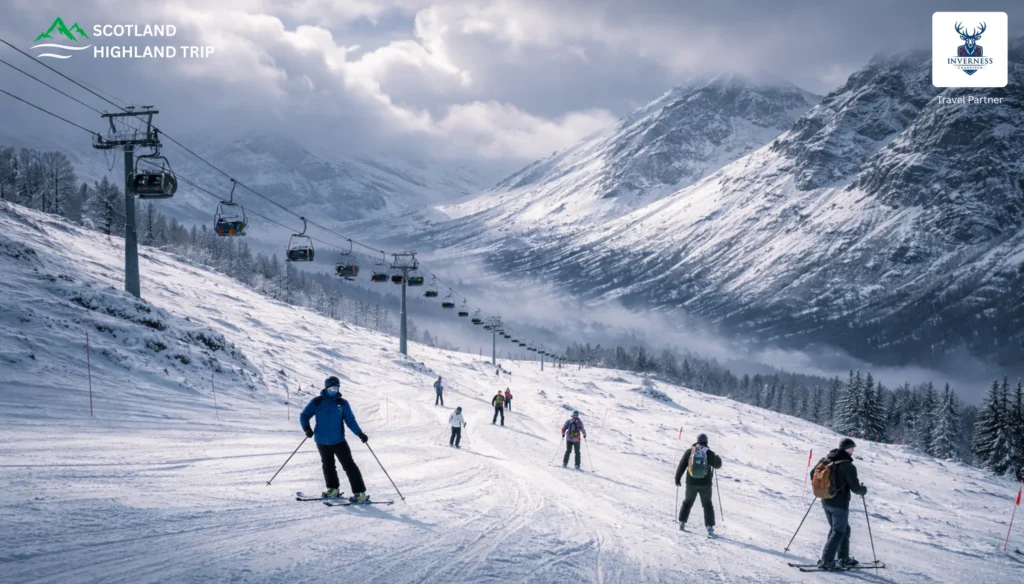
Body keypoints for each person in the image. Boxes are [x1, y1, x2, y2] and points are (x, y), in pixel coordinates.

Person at [300, 376, 371, 503]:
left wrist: (360, 433)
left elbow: (350, 420)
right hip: (321, 441)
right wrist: (307, 428)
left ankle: (360, 493)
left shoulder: (342, 403)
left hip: (338, 441)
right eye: (332, 388)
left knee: (349, 466)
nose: (334, 391)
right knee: (328, 466)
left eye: (336, 388)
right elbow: (304, 415)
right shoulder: (317, 402)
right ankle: (333, 489)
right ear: (326, 388)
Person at [811, 438, 867, 569]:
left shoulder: (826, 460)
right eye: (852, 449)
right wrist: (863, 490)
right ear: (847, 449)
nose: (852, 451)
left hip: (825, 500)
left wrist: (824, 487)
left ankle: (843, 558)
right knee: (839, 531)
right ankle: (827, 561)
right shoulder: (848, 466)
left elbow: (812, 474)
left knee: (842, 529)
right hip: (839, 504)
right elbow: (855, 488)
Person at [674, 433, 723, 535]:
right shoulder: (708, 452)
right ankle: (709, 527)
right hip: (706, 485)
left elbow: (682, 465)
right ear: (706, 441)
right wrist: (717, 458)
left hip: (691, 483)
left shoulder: (689, 452)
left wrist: (677, 478)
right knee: (707, 505)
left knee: (687, 502)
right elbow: (718, 465)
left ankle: (682, 522)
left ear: (697, 440)